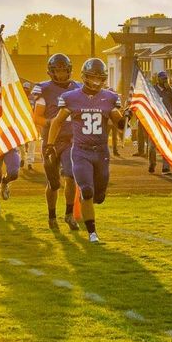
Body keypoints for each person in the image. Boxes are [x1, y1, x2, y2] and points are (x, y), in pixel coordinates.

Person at [47, 58, 122, 244]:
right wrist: (50, 144)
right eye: (92, 78)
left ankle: (94, 201)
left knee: (99, 196)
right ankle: (92, 233)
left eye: (100, 78)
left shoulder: (110, 97)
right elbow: (57, 121)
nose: (96, 82)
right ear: (84, 77)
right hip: (80, 151)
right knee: (87, 191)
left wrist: (129, 115)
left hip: (101, 152)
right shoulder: (71, 97)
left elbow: (119, 124)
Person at [31, 54, 81, 230]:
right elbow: (36, 117)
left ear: (69, 70)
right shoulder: (44, 89)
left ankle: (68, 214)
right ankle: (52, 215)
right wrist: (51, 124)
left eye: (63, 70)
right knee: (53, 184)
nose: (60, 74)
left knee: (70, 176)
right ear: (51, 72)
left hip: (70, 140)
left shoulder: (78, 88)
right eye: (57, 71)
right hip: (51, 141)